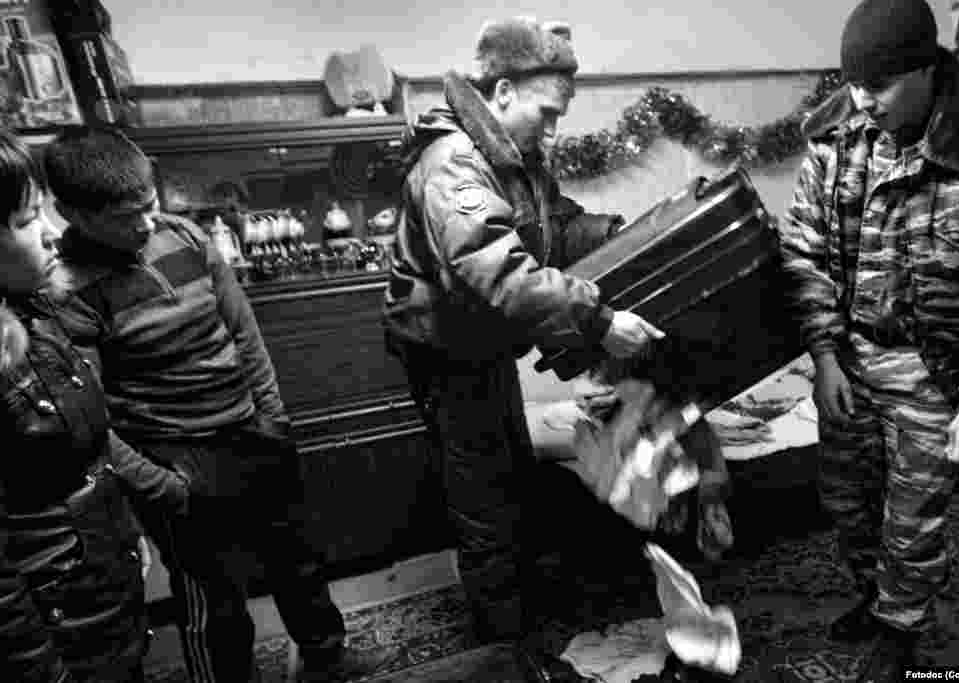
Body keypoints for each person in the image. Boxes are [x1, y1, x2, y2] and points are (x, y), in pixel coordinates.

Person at [43, 126, 396, 683]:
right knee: (214, 602)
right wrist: (161, 485)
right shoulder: (67, 293)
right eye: (122, 217)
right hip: (174, 457)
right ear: (72, 213)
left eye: (148, 204)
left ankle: (326, 660)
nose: (143, 224)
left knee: (298, 562)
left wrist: (272, 416)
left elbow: (243, 331)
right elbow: (91, 419)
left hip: (249, 430)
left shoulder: (183, 235)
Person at [382, 15, 664, 675]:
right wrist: (598, 323)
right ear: (501, 91)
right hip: (447, 354)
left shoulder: (513, 153)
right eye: (546, 113)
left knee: (507, 476)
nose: (553, 129)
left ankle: (520, 612)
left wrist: (628, 232)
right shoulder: (453, 161)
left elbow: (552, 226)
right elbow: (500, 270)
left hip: (478, 345)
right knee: (484, 503)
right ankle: (506, 656)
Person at [779, 1, 959, 680]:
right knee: (848, 499)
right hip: (851, 356)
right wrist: (825, 356)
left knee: (912, 513)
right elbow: (804, 254)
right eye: (854, 83)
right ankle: (874, 594)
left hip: (932, 365)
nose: (863, 100)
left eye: (880, 86)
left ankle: (901, 626)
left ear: (926, 69)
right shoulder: (836, 134)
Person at [0, 128, 190, 682]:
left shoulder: (34, 311)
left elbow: (82, 445)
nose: (51, 236)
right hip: (59, 624)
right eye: (26, 220)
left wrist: (124, 530)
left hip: (94, 594)